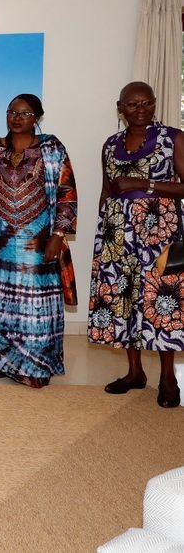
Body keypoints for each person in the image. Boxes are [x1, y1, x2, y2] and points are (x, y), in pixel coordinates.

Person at [90, 81, 184, 408]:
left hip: (160, 235)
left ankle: (168, 377)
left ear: (155, 104)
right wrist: (106, 235)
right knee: (125, 299)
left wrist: (144, 183)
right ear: (120, 107)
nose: (140, 109)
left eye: (146, 103)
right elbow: (107, 190)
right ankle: (134, 372)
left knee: (162, 303)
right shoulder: (110, 144)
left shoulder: (173, 138)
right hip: (119, 235)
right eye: (132, 104)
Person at [0, 94, 77, 388]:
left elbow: (67, 192)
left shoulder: (51, 148)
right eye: (12, 112)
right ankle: (1, 361)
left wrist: (58, 235)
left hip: (37, 240)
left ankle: (35, 366)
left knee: (35, 306)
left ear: (37, 117)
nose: (17, 118)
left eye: (25, 113)